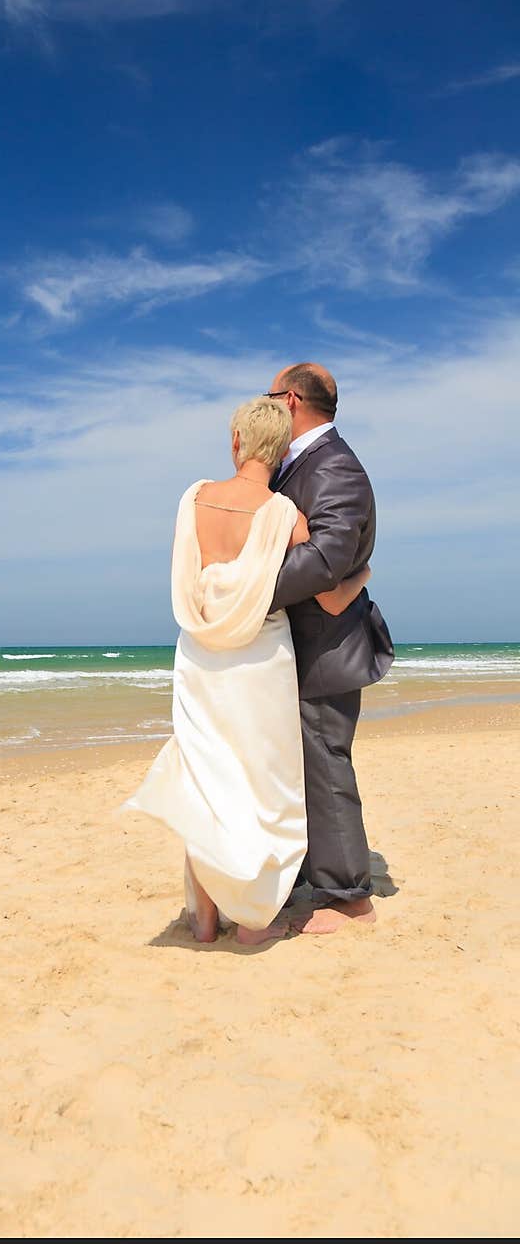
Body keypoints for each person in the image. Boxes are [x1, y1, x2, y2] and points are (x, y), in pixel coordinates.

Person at [123, 397, 370, 946]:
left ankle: (206, 918)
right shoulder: (285, 515)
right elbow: (329, 589)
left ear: (236, 441)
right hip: (261, 661)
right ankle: (255, 919)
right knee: (262, 782)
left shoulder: (194, 499)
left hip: (202, 656)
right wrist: (363, 573)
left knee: (206, 779)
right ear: (281, 450)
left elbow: (189, 570)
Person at [266, 363, 394, 934]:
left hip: (325, 647)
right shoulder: (298, 466)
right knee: (300, 765)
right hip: (302, 644)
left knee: (324, 764)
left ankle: (350, 901)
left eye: (269, 395)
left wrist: (247, 582)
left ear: (290, 400)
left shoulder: (334, 465)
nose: (265, 404)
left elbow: (327, 559)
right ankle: (310, 877)